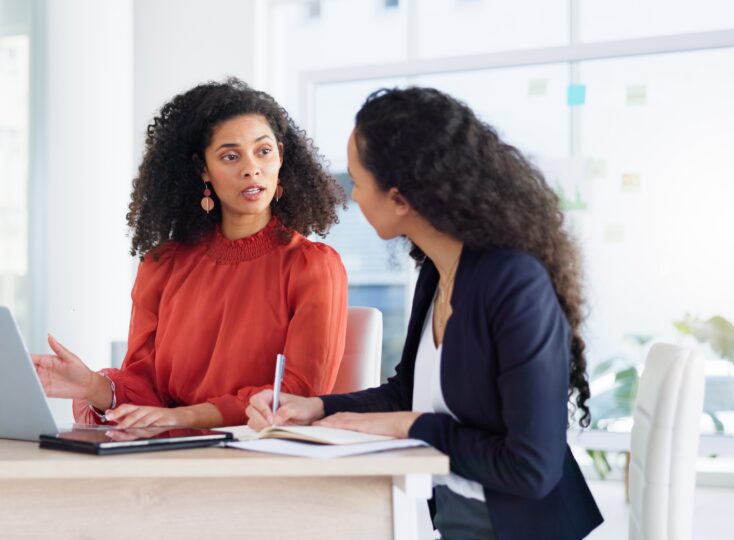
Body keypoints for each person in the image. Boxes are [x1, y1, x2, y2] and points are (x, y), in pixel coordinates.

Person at [246, 87, 603, 540]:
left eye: (357, 181)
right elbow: (408, 392)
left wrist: (410, 427)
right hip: (458, 520)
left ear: (400, 198)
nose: (352, 196)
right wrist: (316, 408)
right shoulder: (437, 272)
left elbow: (531, 468)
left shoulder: (515, 284)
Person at [32, 78, 348, 429]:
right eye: (230, 156)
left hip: (259, 457)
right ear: (203, 170)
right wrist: (93, 387)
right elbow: (145, 388)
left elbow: (297, 392)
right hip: (166, 455)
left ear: (281, 158)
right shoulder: (162, 265)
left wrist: (184, 416)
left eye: (263, 151)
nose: (250, 168)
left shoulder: (312, 265)